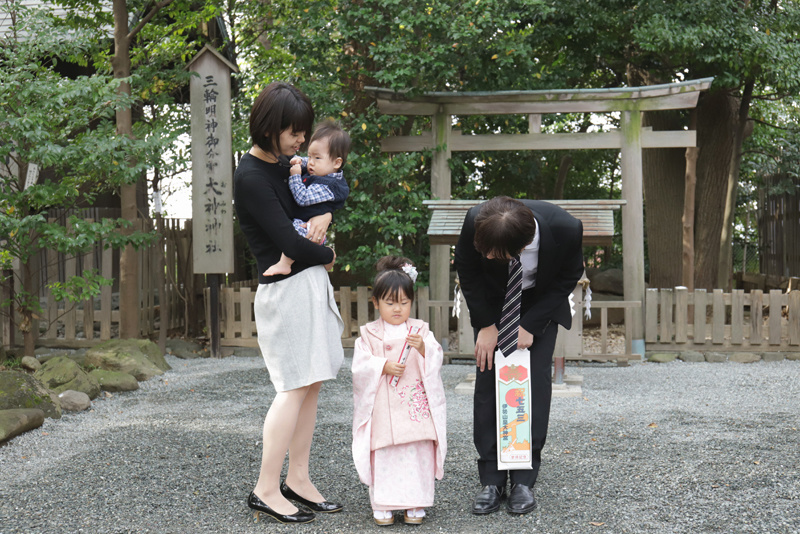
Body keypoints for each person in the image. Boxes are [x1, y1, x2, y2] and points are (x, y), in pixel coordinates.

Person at [233, 82, 345, 525]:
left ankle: (297, 478)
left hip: (308, 287)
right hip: (286, 293)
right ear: (269, 127)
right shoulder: (251, 177)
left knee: (311, 385)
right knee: (293, 387)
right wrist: (328, 253)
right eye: (294, 132)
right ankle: (265, 488)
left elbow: (331, 192)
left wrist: (326, 214)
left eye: (303, 131)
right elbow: (289, 242)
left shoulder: (286, 166)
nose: (301, 140)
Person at [453, 196, 584, 515]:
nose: (487, 256)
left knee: (533, 387)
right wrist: (486, 324)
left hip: (539, 306)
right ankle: (491, 479)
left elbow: (569, 275)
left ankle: (524, 479)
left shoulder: (566, 228)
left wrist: (531, 325)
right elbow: (467, 269)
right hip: (492, 305)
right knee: (488, 384)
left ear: (523, 247)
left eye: (494, 254)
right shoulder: (477, 219)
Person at [351, 256, 447, 526]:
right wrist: (382, 365)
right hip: (384, 406)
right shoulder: (369, 334)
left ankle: (416, 502)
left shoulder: (420, 330)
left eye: (404, 303)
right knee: (385, 453)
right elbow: (360, 366)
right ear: (376, 302)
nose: (397, 309)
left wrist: (423, 348)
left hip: (413, 404)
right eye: (390, 303)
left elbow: (436, 357)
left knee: (416, 450)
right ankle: (383, 503)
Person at [264, 120, 351, 276]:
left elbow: (303, 198)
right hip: (307, 221)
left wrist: (295, 176)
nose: (310, 162)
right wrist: (299, 160)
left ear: (337, 163)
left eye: (317, 158)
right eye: (309, 156)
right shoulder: (321, 169)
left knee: (295, 235)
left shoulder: (331, 185)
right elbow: (309, 161)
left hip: (309, 228)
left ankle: (285, 263)